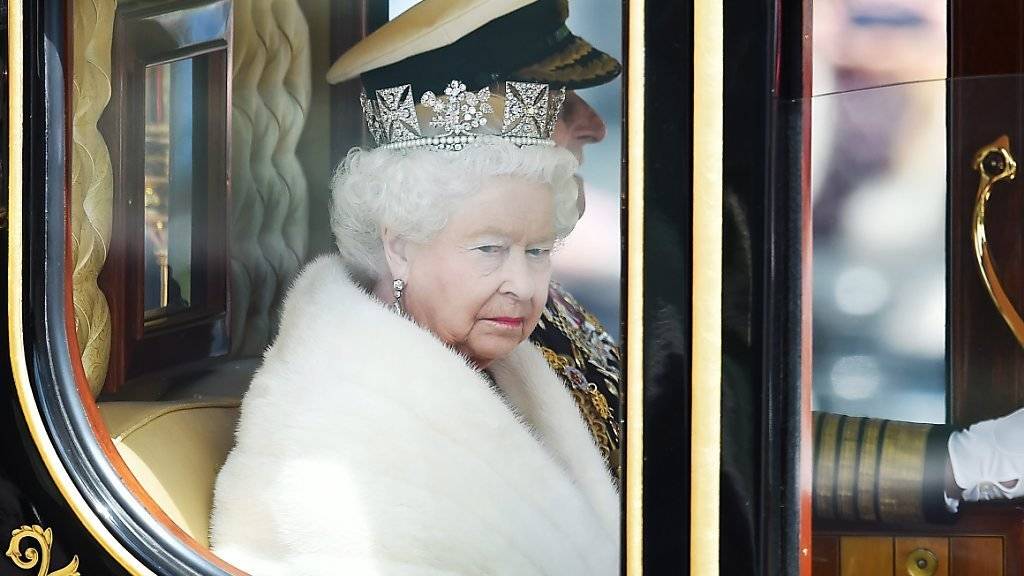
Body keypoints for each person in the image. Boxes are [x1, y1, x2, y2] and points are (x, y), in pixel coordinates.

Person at [209, 3, 621, 572]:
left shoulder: (513, 340)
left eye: (539, 252)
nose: (524, 285)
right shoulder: (331, 430)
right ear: (399, 245)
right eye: (489, 249)